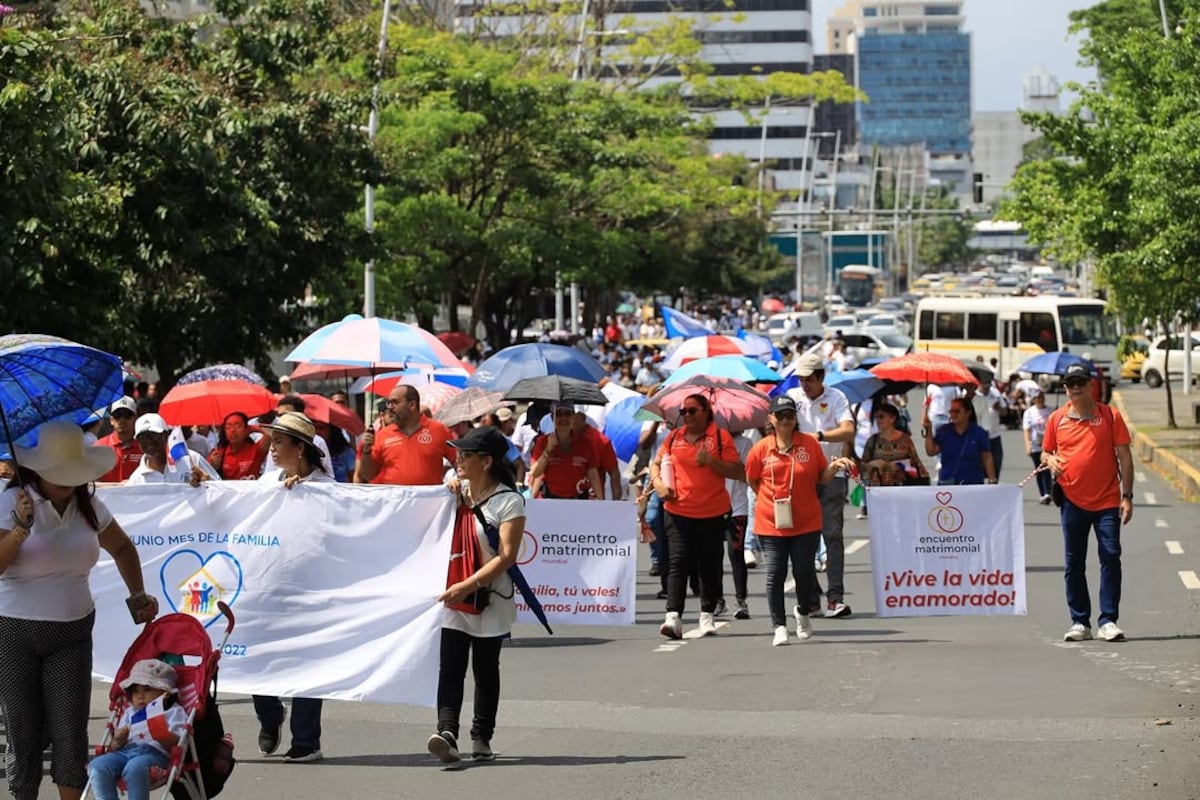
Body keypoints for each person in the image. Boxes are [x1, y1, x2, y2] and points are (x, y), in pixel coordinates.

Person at [0, 421, 160, 800]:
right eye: (60, 475)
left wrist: (138, 595)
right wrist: (21, 529)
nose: (67, 483)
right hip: (13, 631)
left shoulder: (88, 505)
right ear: (38, 470)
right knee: (22, 730)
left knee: (69, 730)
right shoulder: (10, 502)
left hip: (71, 632)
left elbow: (122, 548)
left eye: (74, 475)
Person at [428, 427, 526, 766]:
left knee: (485, 669)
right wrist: (448, 491)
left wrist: (469, 585)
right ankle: (447, 733)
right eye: (458, 454)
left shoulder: (510, 501)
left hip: (490, 596)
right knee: (450, 666)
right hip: (454, 595)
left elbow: (507, 556)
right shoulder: (453, 490)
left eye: (465, 455)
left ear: (486, 462)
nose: (458, 460)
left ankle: (482, 736)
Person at [745, 397, 856, 646]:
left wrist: (835, 465)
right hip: (770, 523)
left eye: (790, 416)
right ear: (771, 419)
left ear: (796, 419)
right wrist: (772, 498)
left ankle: (803, 612)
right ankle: (779, 626)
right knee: (775, 574)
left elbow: (821, 478)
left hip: (805, 522)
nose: (786, 420)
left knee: (804, 573)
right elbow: (752, 480)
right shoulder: (761, 449)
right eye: (781, 416)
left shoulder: (808, 444)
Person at [252, 412, 331, 762]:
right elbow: (227, 505)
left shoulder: (328, 491)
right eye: (271, 441)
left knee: (308, 661)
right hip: (268, 588)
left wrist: (305, 498)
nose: (272, 448)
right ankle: (270, 716)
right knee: (257, 659)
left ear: (300, 448)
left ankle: (306, 739)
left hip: (312, 590)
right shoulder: (266, 486)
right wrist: (200, 485)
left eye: (279, 441)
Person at [1041, 362, 1134, 643]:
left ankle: (1108, 620)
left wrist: (1127, 496)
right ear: (1066, 388)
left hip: (1107, 500)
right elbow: (1045, 453)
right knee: (1073, 564)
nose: (1076, 387)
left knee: (1110, 556)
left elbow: (1126, 460)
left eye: (1081, 381)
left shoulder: (1110, 416)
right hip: (1072, 501)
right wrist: (1050, 459)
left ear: (1091, 384)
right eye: (1070, 383)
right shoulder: (1056, 420)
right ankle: (1080, 621)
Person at [648, 394, 744, 639]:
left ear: (705, 411)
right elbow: (655, 464)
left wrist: (712, 461)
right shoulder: (673, 437)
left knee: (709, 564)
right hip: (678, 511)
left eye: (692, 410)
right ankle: (673, 616)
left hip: (712, 512)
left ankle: (707, 614)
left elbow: (738, 472)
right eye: (684, 411)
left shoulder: (720, 438)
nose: (687, 415)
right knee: (678, 562)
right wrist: (658, 484)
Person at [787, 353, 856, 619]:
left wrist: (817, 436)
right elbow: (778, 428)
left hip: (832, 474)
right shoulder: (792, 398)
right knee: (802, 541)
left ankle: (835, 598)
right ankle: (812, 598)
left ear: (821, 378)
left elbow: (848, 430)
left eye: (810, 380)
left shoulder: (836, 398)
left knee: (832, 535)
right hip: (801, 477)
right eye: (802, 379)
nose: (805, 385)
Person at [87, 659, 189, 800]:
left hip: (154, 754)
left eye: (147, 689)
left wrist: (160, 733)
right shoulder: (131, 712)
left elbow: (179, 744)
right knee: (97, 766)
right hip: (125, 752)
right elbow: (115, 747)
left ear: (165, 692)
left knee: (135, 767)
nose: (140, 696)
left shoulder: (173, 711)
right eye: (135, 691)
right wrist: (118, 739)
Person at [358, 385, 456, 485]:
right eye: (389, 403)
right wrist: (366, 451)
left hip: (428, 499)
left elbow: (458, 461)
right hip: (394, 499)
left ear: (412, 405)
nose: (390, 407)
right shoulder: (383, 435)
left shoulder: (439, 430)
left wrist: (456, 479)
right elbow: (368, 475)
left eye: (395, 402)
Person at [528, 405, 603, 499]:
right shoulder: (543, 442)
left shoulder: (585, 443)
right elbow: (535, 473)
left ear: (573, 417)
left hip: (579, 500)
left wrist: (601, 502)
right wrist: (547, 450)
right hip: (550, 500)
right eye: (559, 414)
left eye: (567, 414)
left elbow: (593, 476)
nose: (563, 418)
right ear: (552, 418)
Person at [125, 414, 219, 486]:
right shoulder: (136, 480)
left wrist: (207, 483)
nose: (149, 441)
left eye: (154, 435)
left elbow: (221, 490)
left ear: (166, 435)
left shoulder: (192, 460)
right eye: (143, 438)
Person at [922, 398, 996, 486]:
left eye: (957, 411)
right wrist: (928, 430)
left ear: (968, 413)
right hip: (948, 482)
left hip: (973, 484)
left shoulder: (979, 433)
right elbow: (931, 451)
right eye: (951, 411)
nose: (953, 415)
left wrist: (992, 481)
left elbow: (987, 458)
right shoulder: (943, 431)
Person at [859, 402, 928, 487]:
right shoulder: (872, 440)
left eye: (881, 417)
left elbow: (916, 463)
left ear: (892, 418)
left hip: (901, 487)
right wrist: (873, 464)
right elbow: (862, 466)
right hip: (878, 488)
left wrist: (899, 466)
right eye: (876, 417)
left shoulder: (905, 439)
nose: (878, 420)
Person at [96, 396, 144, 483]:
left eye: (127, 415)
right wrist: (118, 487)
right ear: (111, 420)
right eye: (117, 415)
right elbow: (91, 484)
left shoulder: (144, 446)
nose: (122, 420)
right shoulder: (99, 447)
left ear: (135, 418)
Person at [208, 411, 268, 480]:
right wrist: (212, 466)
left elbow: (270, 433)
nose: (233, 430)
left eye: (238, 426)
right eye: (228, 427)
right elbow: (204, 475)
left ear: (247, 429)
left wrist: (254, 428)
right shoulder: (218, 453)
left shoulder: (256, 450)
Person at [1022, 389, 1054, 504]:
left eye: (1041, 397)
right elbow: (1026, 430)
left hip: (1048, 444)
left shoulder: (1051, 411)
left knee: (1046, 468)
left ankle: (1047, 492)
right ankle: (1042, 493)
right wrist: (1027, 445)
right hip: (1035, 444)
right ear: (1033, 399)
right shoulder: (1029, 412)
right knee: (1039, 469)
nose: (1039, 399)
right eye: (1037, 398)